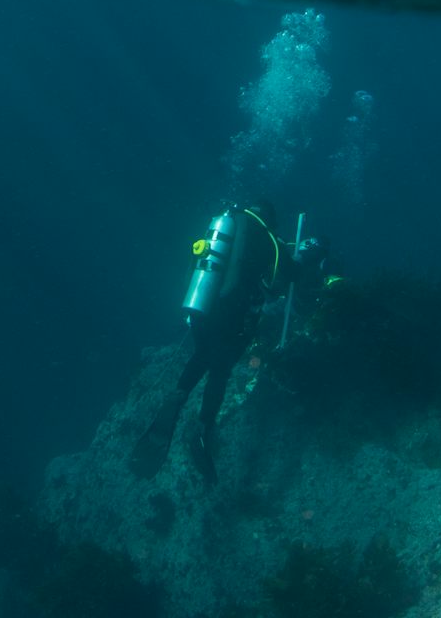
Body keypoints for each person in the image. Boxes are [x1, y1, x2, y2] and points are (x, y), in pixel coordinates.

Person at [130, 200, 323, 485]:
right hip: (231, 317)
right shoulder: (267, 236)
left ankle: (178, 395)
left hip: (201, 308)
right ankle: (204, 427)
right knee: (220, 372)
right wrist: (305, 255)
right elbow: (287, 276)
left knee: (201, 355)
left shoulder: (225, 223)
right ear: (270, 218)